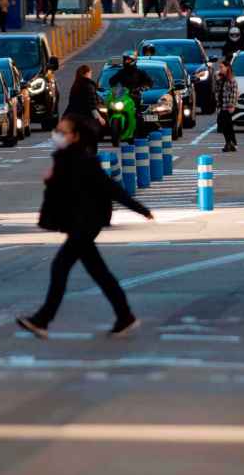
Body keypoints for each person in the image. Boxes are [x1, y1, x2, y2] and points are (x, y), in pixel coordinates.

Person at [16, 112, 152, 340]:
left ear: (75, 136)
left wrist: (140, 209)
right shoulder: (65, 157)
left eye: (62, 132)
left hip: (86, 223)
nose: (57, 135)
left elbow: (111, 188)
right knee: (99, 272)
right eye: (56, 131)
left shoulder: (83, 159)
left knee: (60, 267)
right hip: (79, 223)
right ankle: (125, 316)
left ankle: (42, 320)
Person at [215, 56, 240, 153]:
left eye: (221, 67)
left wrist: (232, 105)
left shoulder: (232, 80)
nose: (220, 69)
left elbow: (234, 93)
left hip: (227, 106)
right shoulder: (220, 79)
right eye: (219, 67)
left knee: (226, 125)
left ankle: (230, 143)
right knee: (225, 126)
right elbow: (216, 91)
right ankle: (231, 143)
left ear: (227, 68)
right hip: (221, 106)